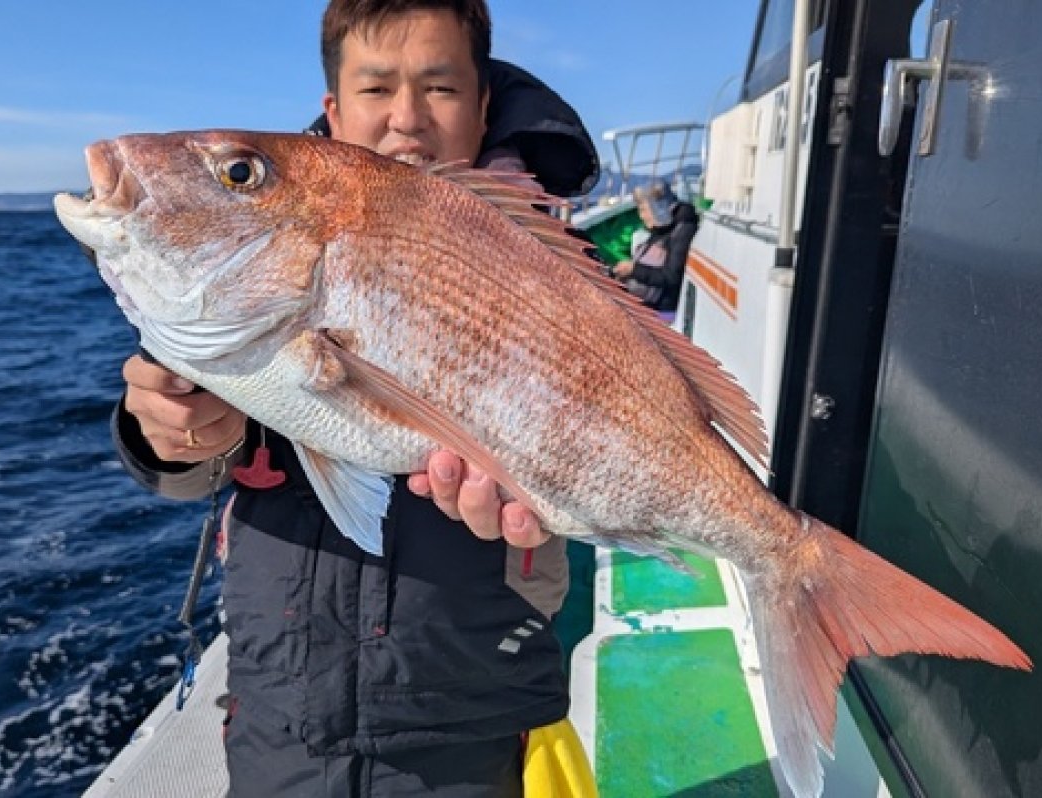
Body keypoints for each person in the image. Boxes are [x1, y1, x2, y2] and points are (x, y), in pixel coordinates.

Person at [111, 1, 599, 795]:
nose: (406, 119)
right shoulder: (260, 242)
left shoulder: (545, 263)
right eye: (377, 89)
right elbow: (193, 454)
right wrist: (163, 431)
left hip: (471, 721)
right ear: (334, 110)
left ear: (482, 105)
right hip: (279, 714)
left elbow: (605, 433)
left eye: (439, 88)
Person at [612, 178, 699, 320]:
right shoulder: (662, 227)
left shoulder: (682, 230)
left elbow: (672, 277)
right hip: (643, 300)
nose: (642, 216)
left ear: (658, 208)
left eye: (644, 210)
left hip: (661, 311)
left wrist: (634, 270)